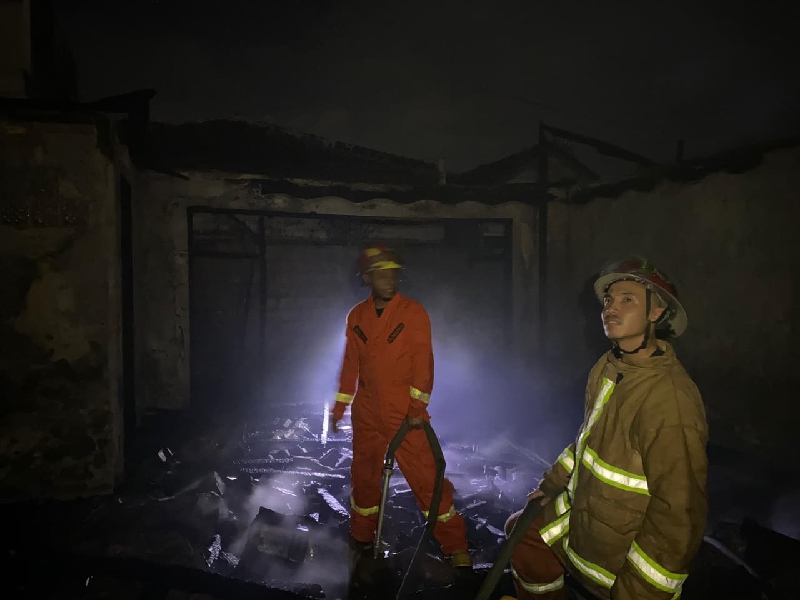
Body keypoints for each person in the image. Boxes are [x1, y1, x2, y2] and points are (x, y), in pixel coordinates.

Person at [504, 257, 708, 600]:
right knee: (522, 531)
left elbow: (679, 513)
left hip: (621, 546)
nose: (611, 308)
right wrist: (552, 484)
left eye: (628, 300)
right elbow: (588, 440)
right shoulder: (608, 367)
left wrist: (640, 589)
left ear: (656, 313)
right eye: (609, 300)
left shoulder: (670, 399)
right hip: (588, 517)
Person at [330, 245, 472, 569]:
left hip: (404, 412)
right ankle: (361, 538)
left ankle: (456, 546)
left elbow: (423, 365)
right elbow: (350, 366)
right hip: (367, 410)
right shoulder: (357, 316)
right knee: (364, 478)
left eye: (393, 273)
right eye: (381, 274)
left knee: (427, 478)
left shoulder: (412, 313)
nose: (389, 280)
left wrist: (417, 410)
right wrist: (339, 409)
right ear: (366, 278)